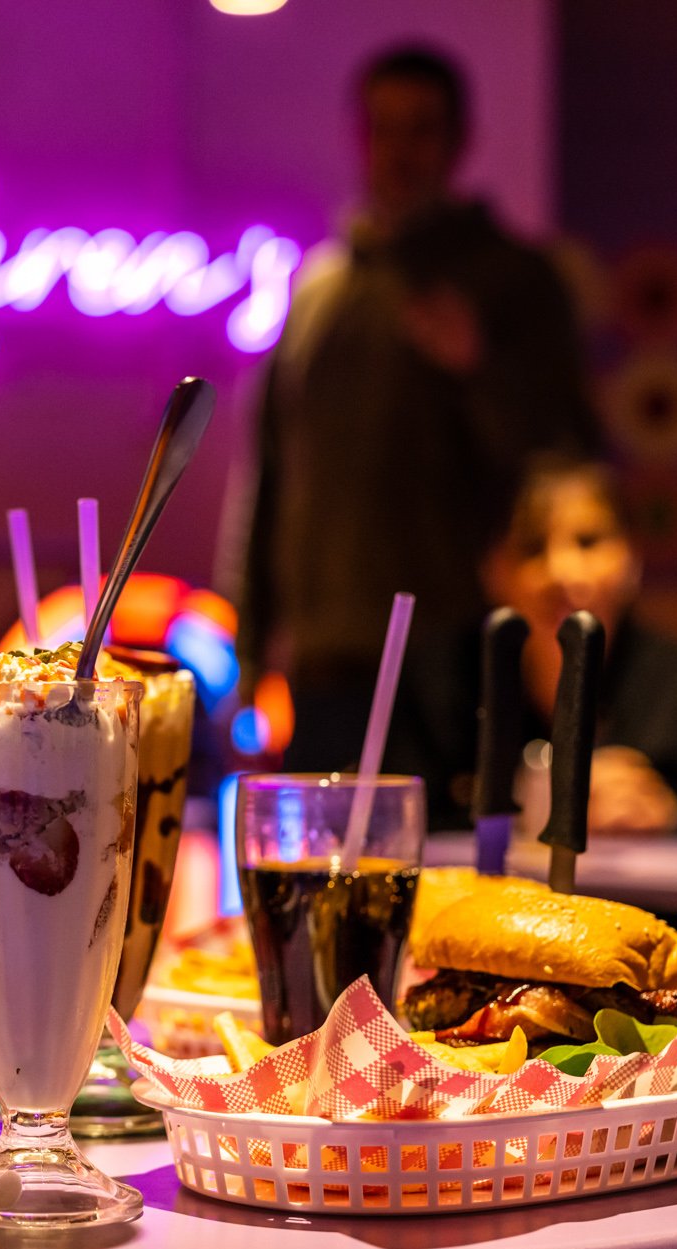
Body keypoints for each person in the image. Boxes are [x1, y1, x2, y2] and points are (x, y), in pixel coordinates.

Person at [239, 44, 601, 772]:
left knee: (444, 880)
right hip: (321, 664)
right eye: (383, 127)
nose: (400, 150)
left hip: (452, 662)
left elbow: (566, 465)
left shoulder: (512, 279)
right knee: (321, 878)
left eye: (421, 128)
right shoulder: (321, 288)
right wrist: (249, 652)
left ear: (460, 140)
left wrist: (477, 370)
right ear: (358, 135)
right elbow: (270, 479)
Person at [390, 456, 677, 835]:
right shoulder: (441, 679)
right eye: (532, 549)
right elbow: (396, 824)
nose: (563, 572)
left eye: (588, 541)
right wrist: (526, 808)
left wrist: (676, 816)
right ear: (492, 571)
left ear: (631, 559)